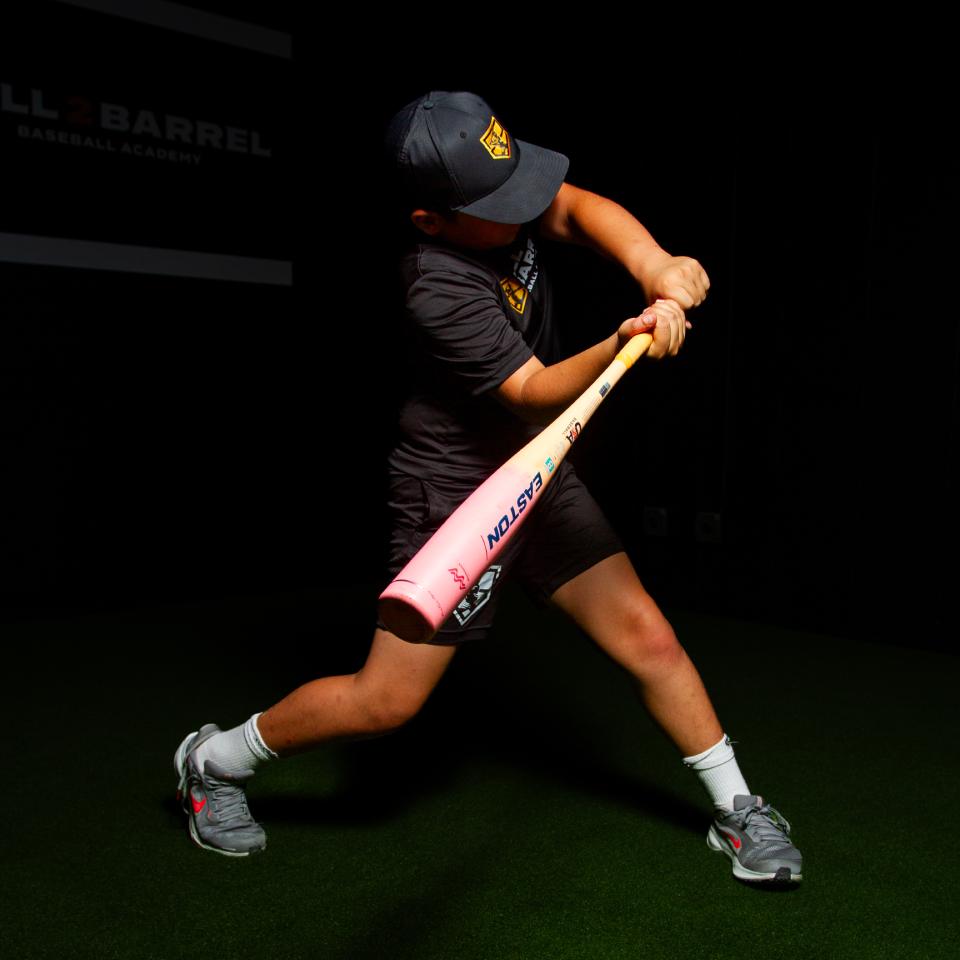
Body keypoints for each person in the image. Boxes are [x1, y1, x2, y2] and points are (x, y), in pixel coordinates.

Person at [174, 91, 802, 884]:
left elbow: (575, 207)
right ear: (430, 220)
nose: (526, 208)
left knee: (648, 637)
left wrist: (654, 264)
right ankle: (214, 762)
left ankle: (738, 809)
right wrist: (628, 337)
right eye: (501, 204)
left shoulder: (499, 199)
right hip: (455, 494)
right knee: (386, 703)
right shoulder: (433, 283)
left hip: (537, 467)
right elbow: (533, 392)